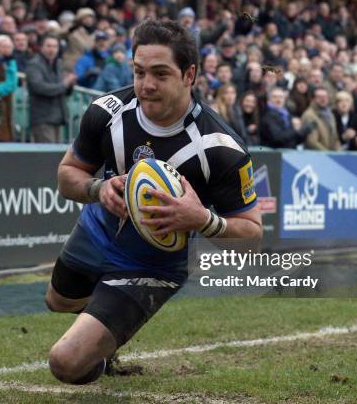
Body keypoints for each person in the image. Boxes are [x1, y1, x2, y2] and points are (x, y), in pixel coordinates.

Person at [46, 19, 261, 385]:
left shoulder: (221, 148)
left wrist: (203, 220)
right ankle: (105, 321)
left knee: (65, 363)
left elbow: (252, 236)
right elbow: (68, 174)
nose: (146, 85)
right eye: (139, 71)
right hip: (96, 230)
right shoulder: (106, 112)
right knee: (58, 301)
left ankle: (103, 338)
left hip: (154, 264)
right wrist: (99, 189)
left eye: (160, 74)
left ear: (189, 74)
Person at [26, 34, 77, 143]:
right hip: (42, 119)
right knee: (46, 157)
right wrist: (64, 84)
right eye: (48, 46)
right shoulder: (34, 65)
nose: (52, 49)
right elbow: (39, 87)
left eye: (55, 46)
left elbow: (64, 91)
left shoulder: (58, 64)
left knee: (55, 157)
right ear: (41, 47)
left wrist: (70, 84)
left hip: (57, 117)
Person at [301, 87, 341, 151]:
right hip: (316, 156)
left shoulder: (330, 115)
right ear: (313, 99)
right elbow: (311, 141)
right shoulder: (309, 115)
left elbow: (335, 137)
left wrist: (338, 153)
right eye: (319, 97)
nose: (323, 99)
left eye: (325, 96)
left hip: (330, 155)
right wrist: (327, 154)